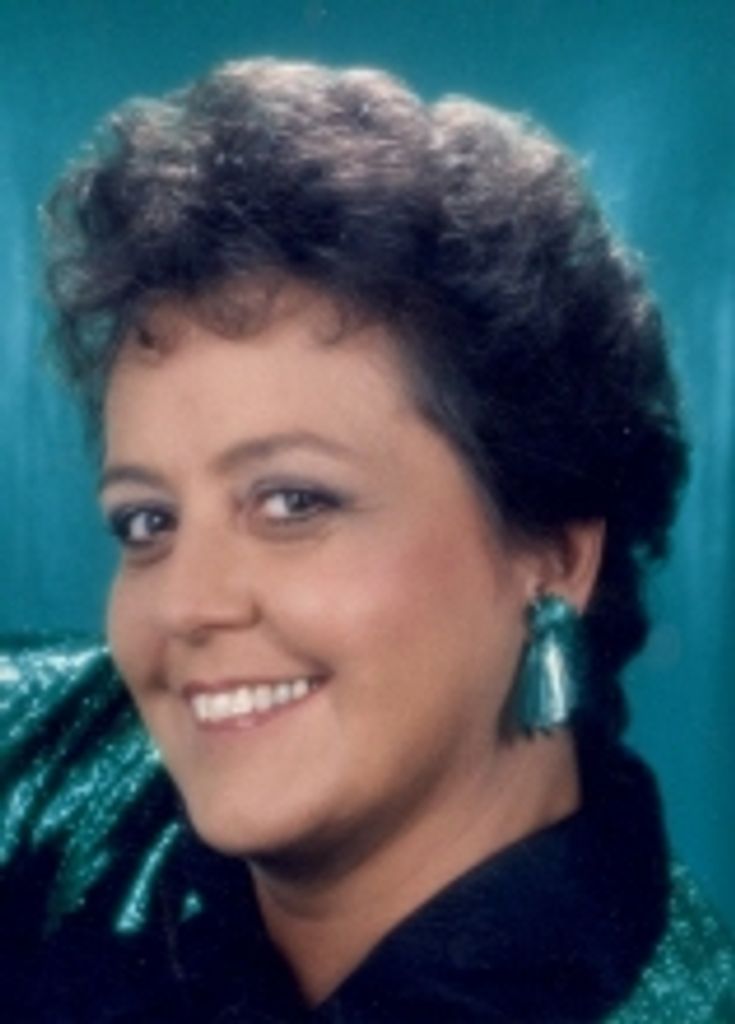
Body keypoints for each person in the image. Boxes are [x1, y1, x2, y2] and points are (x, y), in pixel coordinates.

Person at [2, 57, 733, 1022]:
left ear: (554, 557)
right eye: (148, 522)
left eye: (292, 503)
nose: (186, 604)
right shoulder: (55, 758)